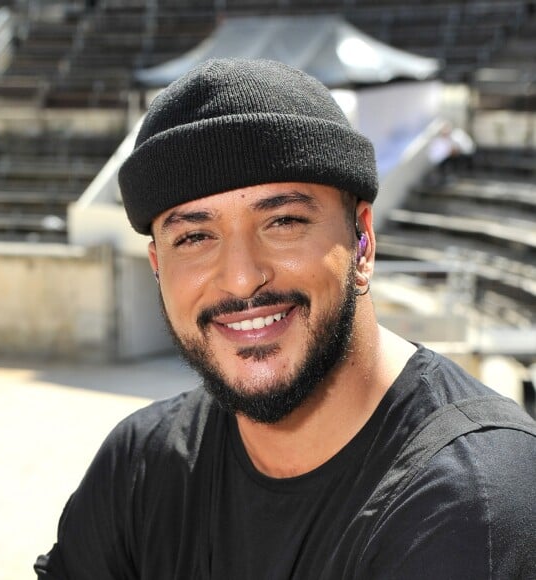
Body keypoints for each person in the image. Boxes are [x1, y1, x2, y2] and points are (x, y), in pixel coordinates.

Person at [35, 59, 536, 579]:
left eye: (283, 222)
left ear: (361, 241)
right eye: (194, 237)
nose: (241, 278)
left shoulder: (474, 500)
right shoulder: (141, 465)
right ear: (158, 266)